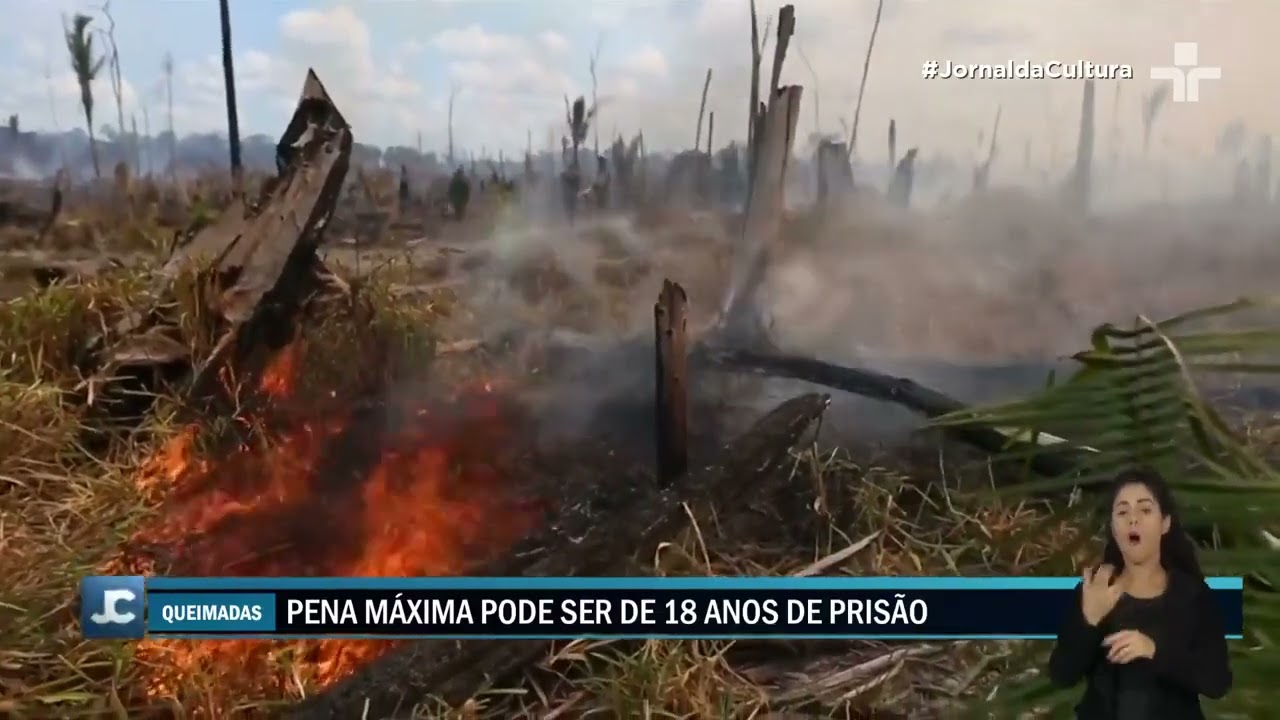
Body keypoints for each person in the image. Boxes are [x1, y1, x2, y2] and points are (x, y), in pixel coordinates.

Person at [1049, 467, 1232, 719]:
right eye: (1122, 511)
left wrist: (1154, 651)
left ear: (1165, 523)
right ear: (1114, 527)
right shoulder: (1095, 589)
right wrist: (1089, 620)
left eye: (1145, 510)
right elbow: (1062, 675)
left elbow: (1217, 682)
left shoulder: (1193, 595)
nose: (1132, 518)